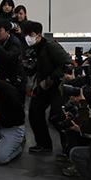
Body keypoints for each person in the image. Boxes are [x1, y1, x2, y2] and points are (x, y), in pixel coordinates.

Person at [21, 20, 72, 154]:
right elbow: (33, 68)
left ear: (38, 34)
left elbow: (66, 63)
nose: (28, 37)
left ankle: (69, 148)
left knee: (57, 116)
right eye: (26, 34)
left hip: (57, 85)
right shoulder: (32, 48)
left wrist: (51, 78)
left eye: (30, 34)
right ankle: (43, 145)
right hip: (42, 85)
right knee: (34, 112)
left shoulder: (50, 46)